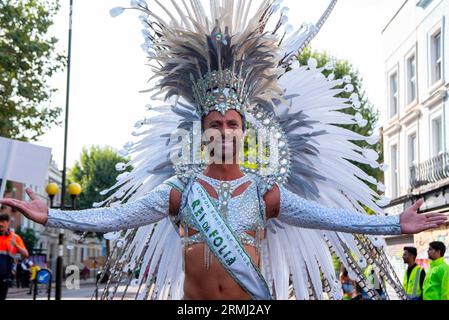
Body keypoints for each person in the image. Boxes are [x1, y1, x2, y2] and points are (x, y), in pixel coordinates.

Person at [1, 0, 447, 301]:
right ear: (202, 133)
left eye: (232, 123)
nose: (224, 130)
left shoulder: (265, 193)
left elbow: (333, 218)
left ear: (244, 132)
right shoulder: (179, 192)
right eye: (215, 123)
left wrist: (395, 222)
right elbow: (112, 218)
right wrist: (50, 216)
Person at [0, 213, 29, 300]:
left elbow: (26, 254)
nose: (0, 224)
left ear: (8, 223)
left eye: (3, 222)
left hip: (4, 275)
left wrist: (16, 245)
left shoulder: (15, 237)